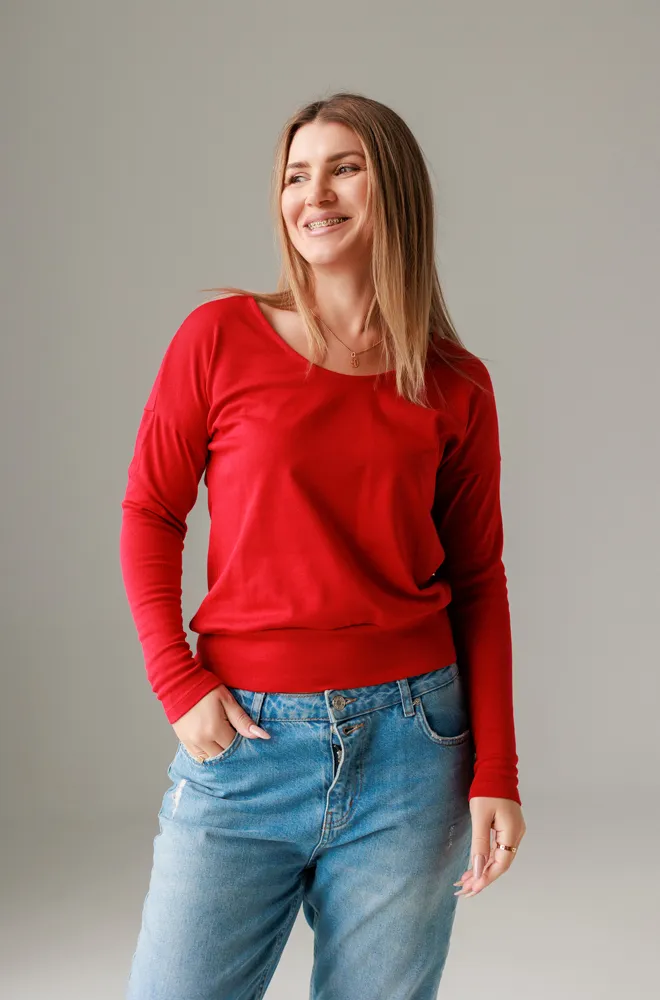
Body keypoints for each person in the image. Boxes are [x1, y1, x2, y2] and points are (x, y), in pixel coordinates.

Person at [120, 90, 526, 999]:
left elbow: (478, 580)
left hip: (415, 749)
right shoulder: (218, 337)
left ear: (397, 190)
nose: (315, 194)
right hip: (247, 742)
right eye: (296, 175)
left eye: (345, 168)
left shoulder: (456, 384)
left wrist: (496, 768)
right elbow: (150, 510)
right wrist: (175, 678)